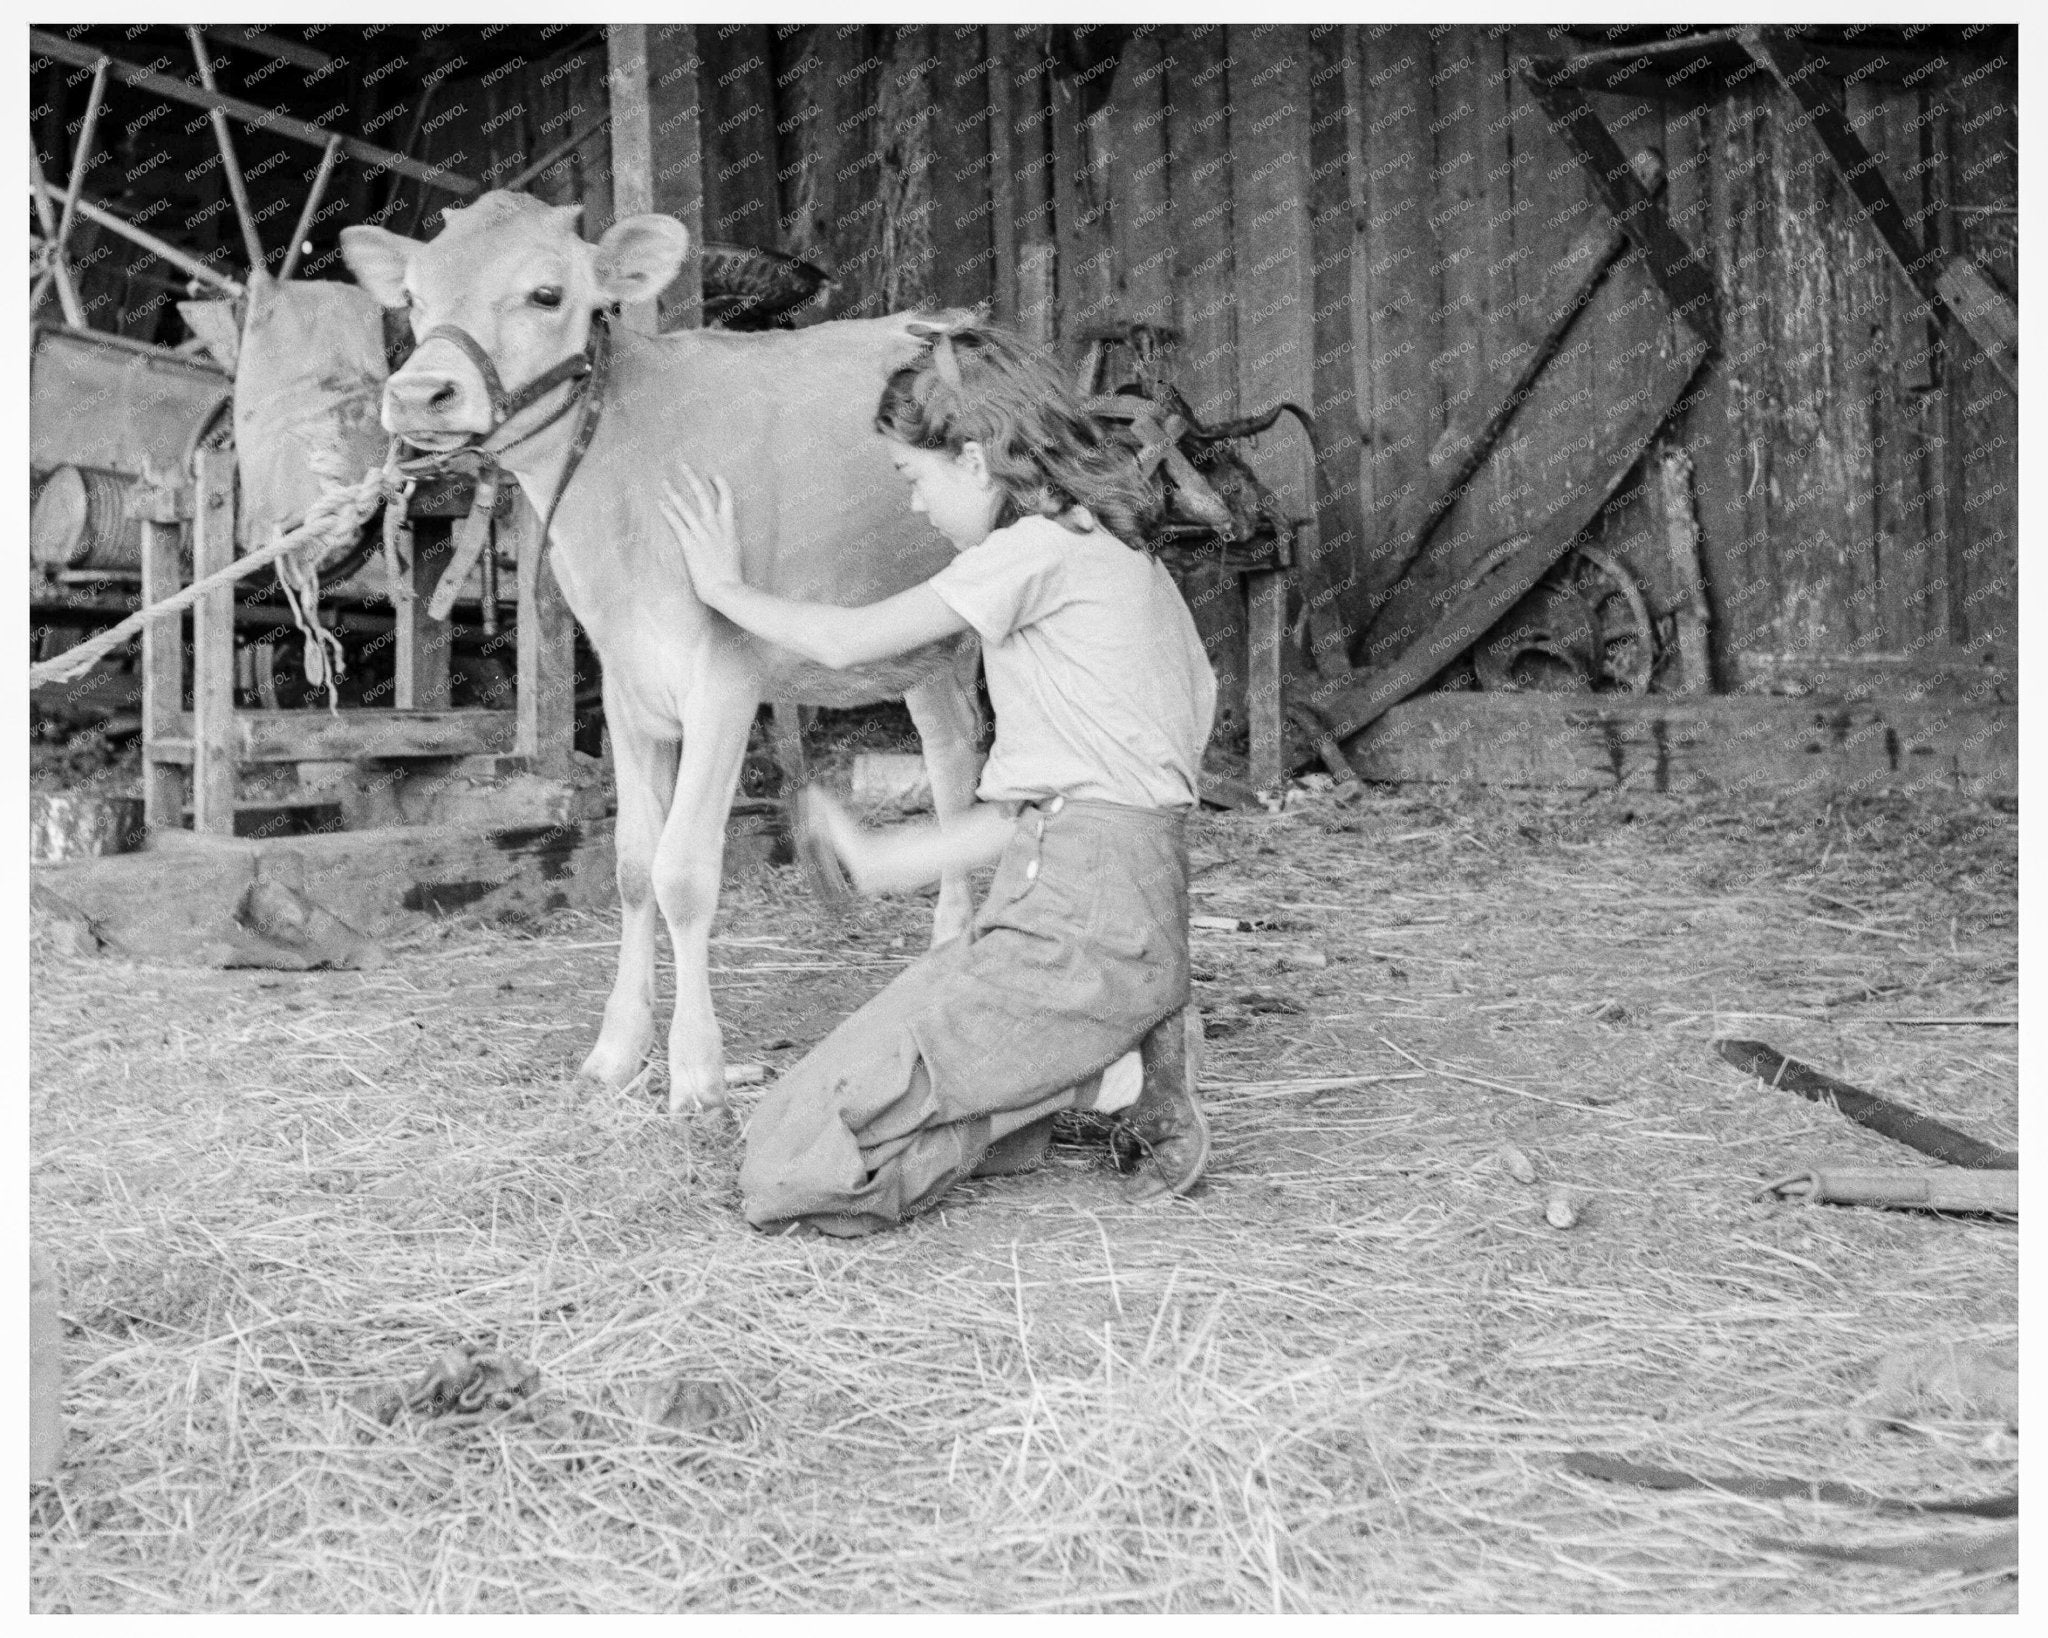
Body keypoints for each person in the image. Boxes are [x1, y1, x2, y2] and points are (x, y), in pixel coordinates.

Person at [658, 319, 1217, 1237]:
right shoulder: (1125, 565)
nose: (913, 508)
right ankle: (1120, 1054)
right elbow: (1073, 809)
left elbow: (845, 642)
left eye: (912, 479)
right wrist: (885, 859)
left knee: (790, 1159)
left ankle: (1101, 1063)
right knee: (835, 1113)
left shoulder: (1030, 552)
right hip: (1108, 912)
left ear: (972, 458)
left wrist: (723, 591)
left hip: (1076, 930)